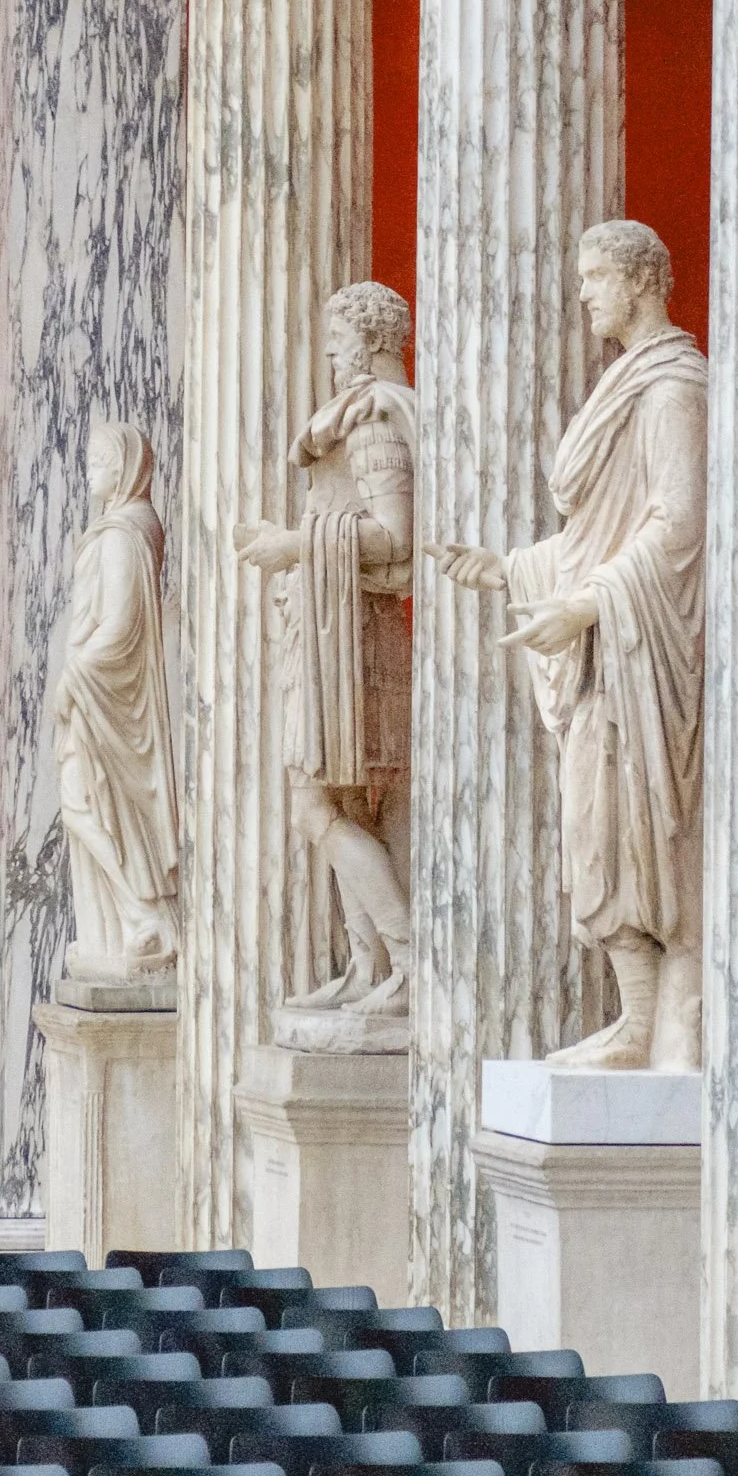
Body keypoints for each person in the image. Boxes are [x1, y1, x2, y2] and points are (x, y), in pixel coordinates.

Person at [432, 219, 707, 1068]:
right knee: (596, 828)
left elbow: (678, 521)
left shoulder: (671, 391)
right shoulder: (627, 383)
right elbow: (599, 530)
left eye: (595, 278)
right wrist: (510, 567)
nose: (584, 294)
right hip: (607, 644)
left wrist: (585, 607)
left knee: (630, 830)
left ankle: (650, 1022)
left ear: (639, 281)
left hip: (643, 651)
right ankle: (637, 1017)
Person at [236, 280, 416, 1026]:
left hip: (355, 633)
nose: (332, 352)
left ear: (372, 341)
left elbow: (396, 537)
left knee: (317, 804)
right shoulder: (352, 418)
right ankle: (366, 962)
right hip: (330, 626)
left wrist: (293, 544)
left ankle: (408, 958)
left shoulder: (375, 423)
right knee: (341, 801)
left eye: (340, 338)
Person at [52, 421, 180, 978]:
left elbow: (120, 625)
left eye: (100, 457)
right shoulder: (122, 528)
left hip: (110, 698)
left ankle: (144, 919)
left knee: (84, 805)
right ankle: (125, 925)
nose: (89, 466)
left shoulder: (124, 533)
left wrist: (71, 679)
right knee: (86, 805)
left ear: (126, 466)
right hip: (102, 696)